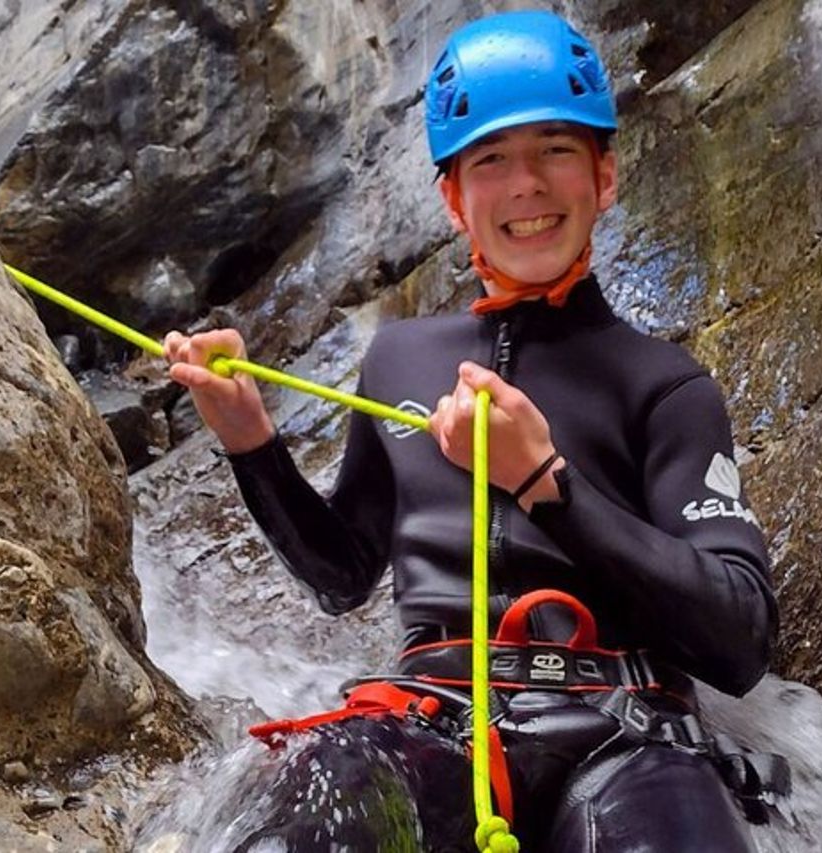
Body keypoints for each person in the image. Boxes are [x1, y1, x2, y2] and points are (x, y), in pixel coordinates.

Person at [165, 10, 778, 851]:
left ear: (604, 176)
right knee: (321, 794)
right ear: (454, 199)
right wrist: (251, 443)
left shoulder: (666, 386)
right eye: (490, 160)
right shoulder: (399, 359)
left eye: (555, 150)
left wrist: (546, 485)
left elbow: (740, 637)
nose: (525, 184)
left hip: (627, 732)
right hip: (433, 721)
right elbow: (343, 575)